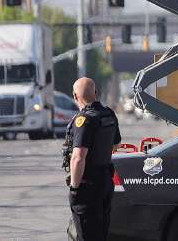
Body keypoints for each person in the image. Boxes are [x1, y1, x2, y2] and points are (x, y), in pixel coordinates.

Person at [63, 77, 121, 241]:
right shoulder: (108, 114)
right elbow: (115, 144)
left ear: (75, 96)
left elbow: (78, 157)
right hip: (105, 180)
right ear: (96, 93)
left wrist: (74, 189)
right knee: (101, 232)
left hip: (87, 186)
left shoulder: (84, 120)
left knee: (86, 235)